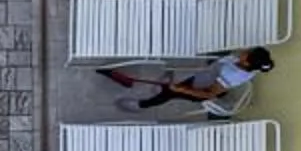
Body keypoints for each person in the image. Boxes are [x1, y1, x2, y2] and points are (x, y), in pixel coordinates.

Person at [98, 47, 273, 110]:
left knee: (167, 94)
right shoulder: (244, 63)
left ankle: (140, 105)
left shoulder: (232, 75)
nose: (245, 50)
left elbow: (208, 95)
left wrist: (182, 89)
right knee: (172, 86)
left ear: (247, 62)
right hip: (204, 77)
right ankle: (168, 87)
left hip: (199, 89)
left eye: (247, 53)